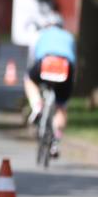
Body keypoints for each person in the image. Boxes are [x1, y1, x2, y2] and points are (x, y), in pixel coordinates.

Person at [23, 11, 76, 158]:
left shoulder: (40, 35)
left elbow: (33, 57)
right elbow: (74, 60)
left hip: (46, 63)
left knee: (29, 79)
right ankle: (56, 139)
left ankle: (37, 106)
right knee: (61, 106)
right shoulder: (69, 37)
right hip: (65, 67)